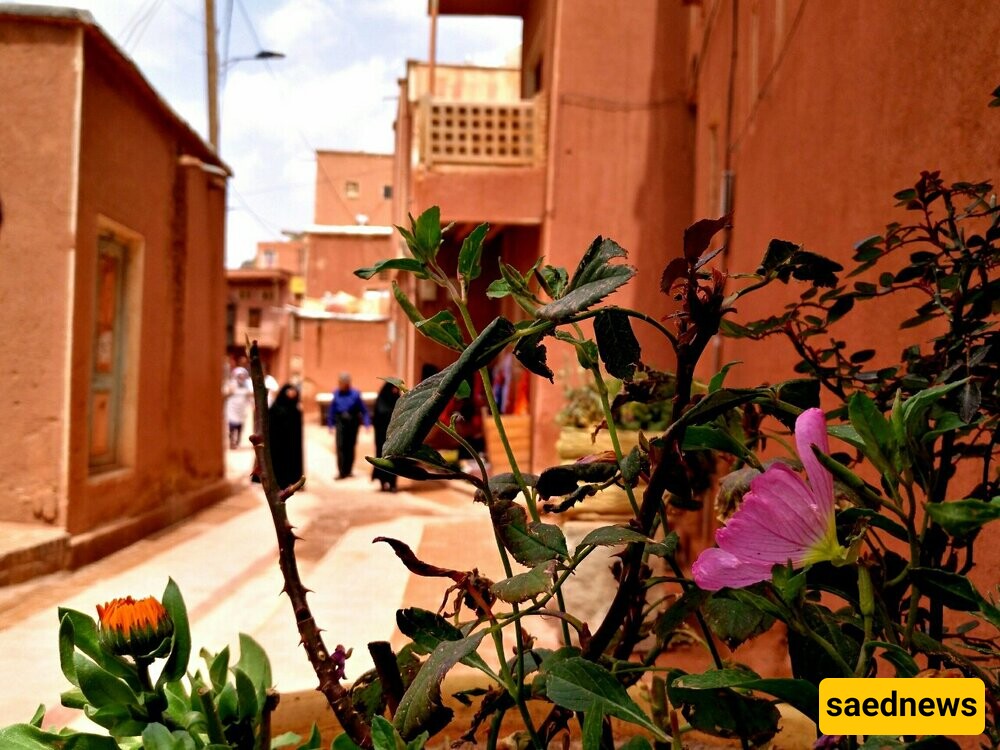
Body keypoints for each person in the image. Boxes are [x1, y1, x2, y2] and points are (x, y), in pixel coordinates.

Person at [326, 373, 370, 479]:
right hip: (340, 422)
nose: (340, 385)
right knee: (340, 446)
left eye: (342, 383)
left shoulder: (355, 394)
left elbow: (363, 410)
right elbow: (332, 410)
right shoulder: (336, 394)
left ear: (347, 383)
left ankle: (348, 470)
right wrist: (330, 424)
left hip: (352, 422)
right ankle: (341, 472)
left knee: (350, 446)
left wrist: (367, 423)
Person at [268, 384, 304, 490]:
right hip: (278, 443)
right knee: (278, 462)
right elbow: (270, 427)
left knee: (292, 460)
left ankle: (293, 480)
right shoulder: (275, 408)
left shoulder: (296, 410)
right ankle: (279, 482)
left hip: (292, 444)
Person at [371, 381, 401, 492]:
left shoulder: (398, 400)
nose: (395, 391)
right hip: (381, 438)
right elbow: (379, 417)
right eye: (393, 388)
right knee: (382, 459)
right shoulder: (381, 400)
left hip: (394, 438)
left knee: (394, 460)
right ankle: (383, 483)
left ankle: (393, 484)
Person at [224, 367, 253, 449]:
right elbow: (225, 394)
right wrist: (230, 391)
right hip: (232, 409)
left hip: (242, 410)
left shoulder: (247, 386)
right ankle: (231, 442)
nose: (241, 378)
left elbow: (250, 396)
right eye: (240, 376)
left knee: (240, 427)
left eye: (243, 376)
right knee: (232, 427)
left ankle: (237, 442)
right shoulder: (231, 384)